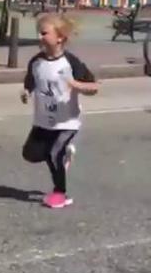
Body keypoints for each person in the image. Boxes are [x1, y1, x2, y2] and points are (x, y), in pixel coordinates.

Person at [21, 14, 98, 209]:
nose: (40, 37)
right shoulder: (36, 62)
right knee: (31, 154)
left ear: (60, 37)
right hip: (43, 120)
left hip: (67, 121)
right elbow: (31, 81)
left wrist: (76, 85)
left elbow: (94, 87)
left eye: (44, 33)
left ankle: (60, 193)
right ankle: (64, 156)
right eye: (38, 33)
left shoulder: (70, 63)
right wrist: (26, 92)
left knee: (54, 154)